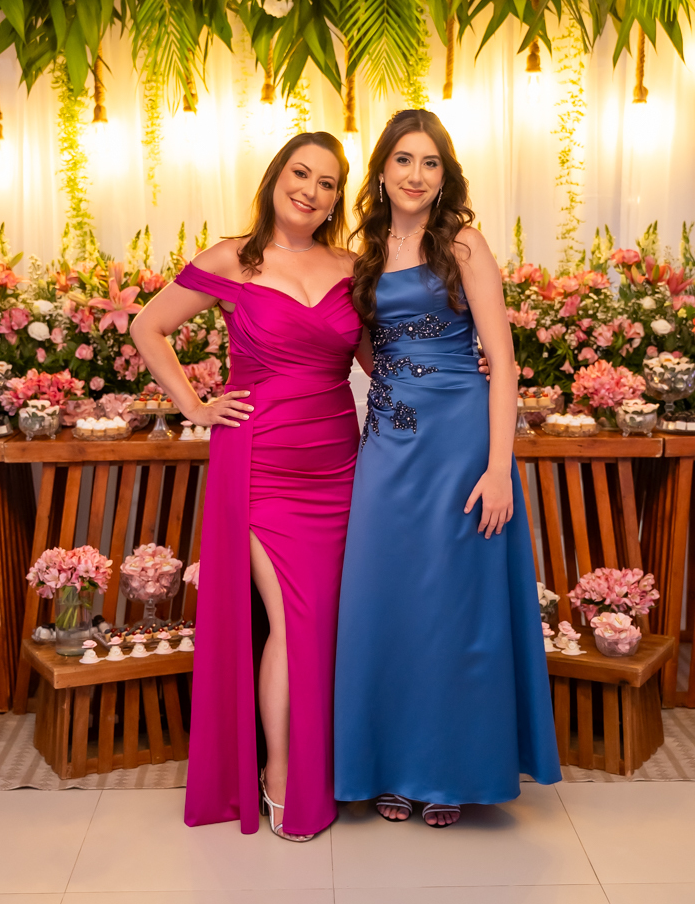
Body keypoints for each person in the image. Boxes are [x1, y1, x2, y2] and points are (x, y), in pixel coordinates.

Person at [131, 132, 363, 841]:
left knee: (328, 620)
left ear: (337, 199)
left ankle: (332, 761)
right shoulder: (232, 259)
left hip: (339, 464)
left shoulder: (354, 267)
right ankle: (280, 773)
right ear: (275, 177)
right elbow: (148, 327)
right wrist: (195, 406)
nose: (311, 191)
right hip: (261, 463)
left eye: (327, 182)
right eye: (301, 173)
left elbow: (383, 363)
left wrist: (459, 377)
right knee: (291, 619)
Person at [333, 110, 561, 828]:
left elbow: (504, 363)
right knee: (385, 601)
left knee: (453, 608)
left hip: (462, 444)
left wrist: (498, 469)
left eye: (430, 162)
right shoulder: (363, 253)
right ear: (382, 170)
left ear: (445, 175)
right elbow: (366, 349)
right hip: (388, 443)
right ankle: (389, 765)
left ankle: (449, 772)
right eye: (404, 159)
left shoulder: (462, 243)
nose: (416, 174)